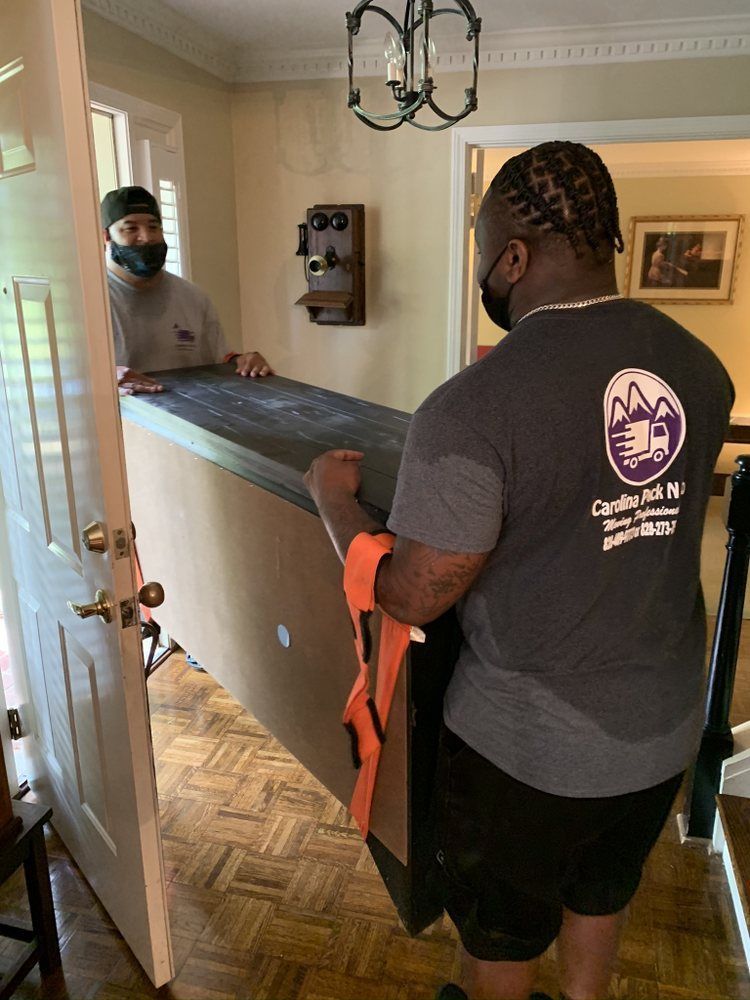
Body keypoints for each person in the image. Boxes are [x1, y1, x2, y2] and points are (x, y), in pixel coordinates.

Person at [304, 141, 733, 1000]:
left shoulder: (475, 406)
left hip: (528, 754)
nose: (483, 276)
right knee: (601, 891)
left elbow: (415, 594)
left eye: (481, 255)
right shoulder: (699, 367)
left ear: (513, 257)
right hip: (662, 729)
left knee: (502, 937)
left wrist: (332, 502)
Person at [100, 186, 273, 394]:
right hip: (120, 424)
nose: (146, 237)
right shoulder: (89, 302)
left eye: (154, 227)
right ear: (106, 237)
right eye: (131, 228)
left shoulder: (194, 298)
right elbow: (61, 382)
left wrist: (245, 362)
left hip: (188, 419)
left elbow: (219, 360)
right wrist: (104, 378)